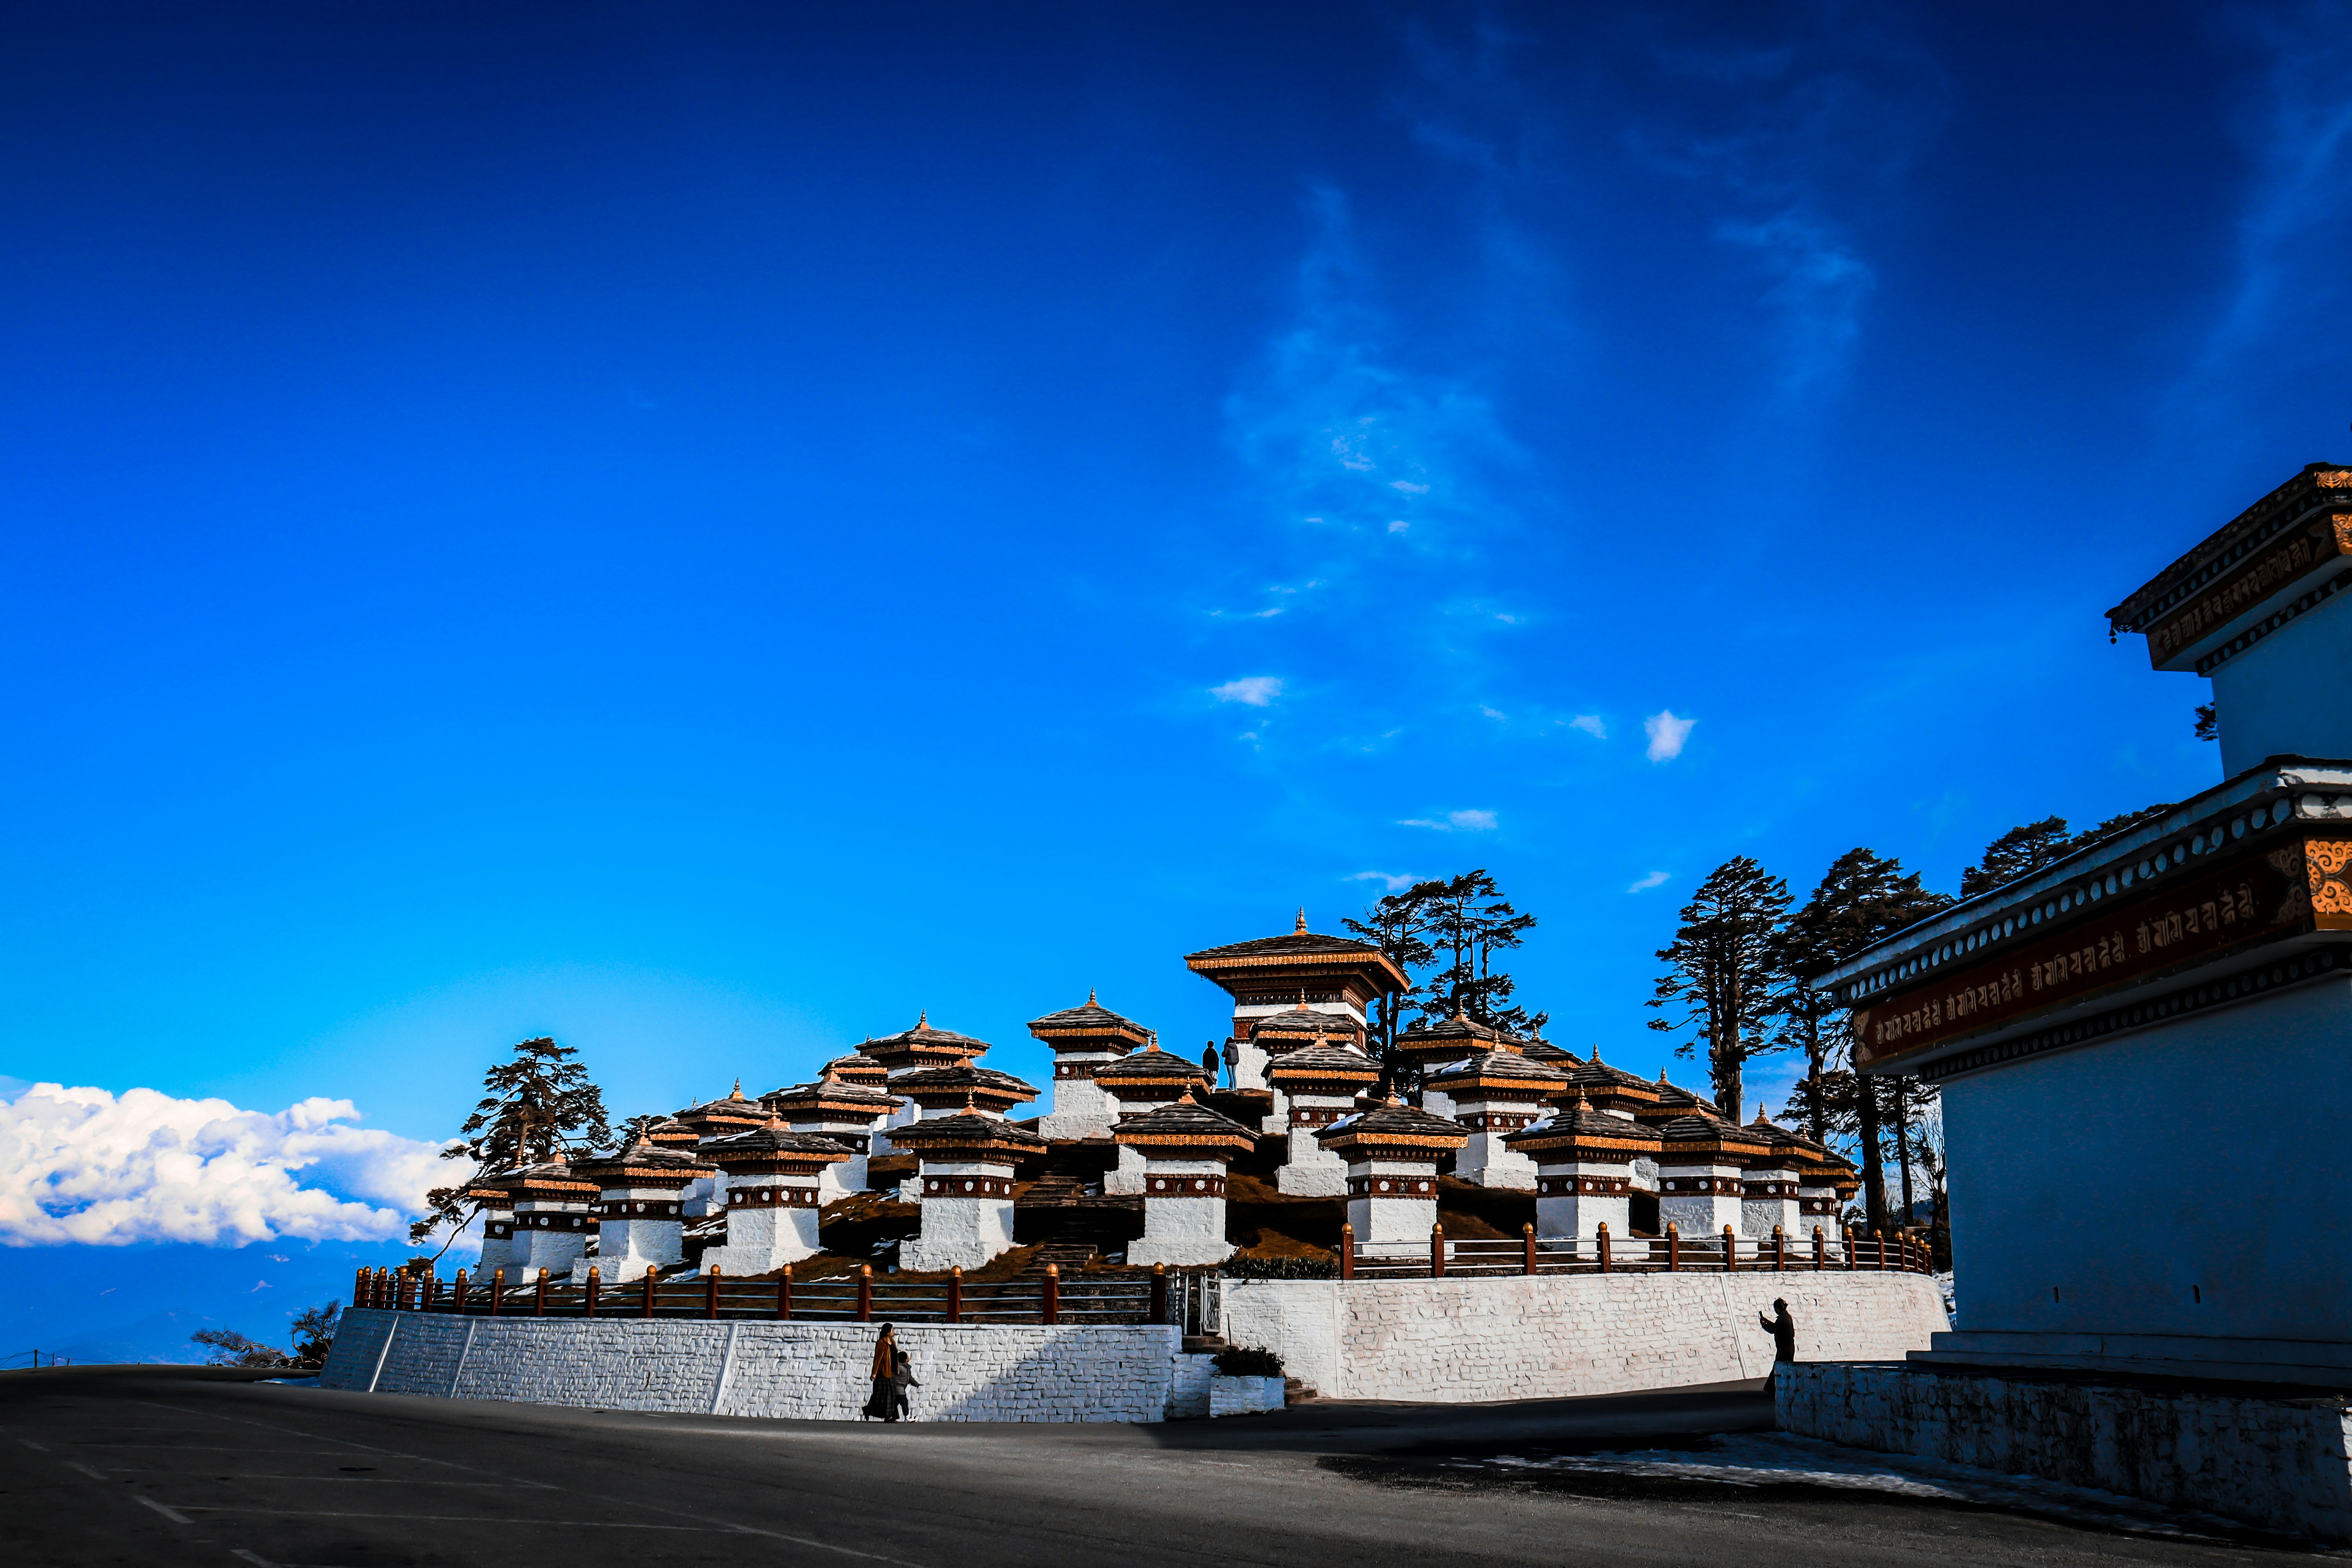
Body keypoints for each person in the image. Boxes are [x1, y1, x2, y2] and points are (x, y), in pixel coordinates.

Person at [1757, 1298, 1797, 1390]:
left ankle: (1774, 1389)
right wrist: (1768, 1322)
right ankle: (1777, 1388)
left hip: (1785, 1349)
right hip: (1786, 1348)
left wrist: (1764, 1324)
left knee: (1780, 1368)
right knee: (1782, 1368)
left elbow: (1773, 1330)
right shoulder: (1785, 1317)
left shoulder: (1783, 1319)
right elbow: (1777, 1327)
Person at [862, 1323, 897, 1421]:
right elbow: (877, 1359)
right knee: (884, 1395)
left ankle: (870, 1410)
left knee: (891, 1395)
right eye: (893, 1330)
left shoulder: (893, 1342)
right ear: (888, 1332)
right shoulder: (882, 1343)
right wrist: (875, 1373)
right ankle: (889, 1417)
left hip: (893, 1372)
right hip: (884, 1372)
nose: (894, 1332)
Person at [889, 1346, 921, 1421]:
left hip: (901, 1388)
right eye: (907, 1356)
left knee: (895, 1404)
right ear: (906, 1359)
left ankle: (890, 1417)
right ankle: (908, 1417)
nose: (909, 1357)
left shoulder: (906, 1368)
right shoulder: (899, 1367)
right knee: (904, 1402)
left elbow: (910, 1378)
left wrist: (916, 1384)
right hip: (898, 1388)